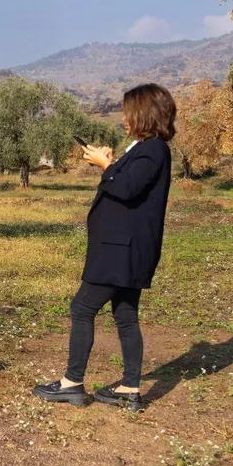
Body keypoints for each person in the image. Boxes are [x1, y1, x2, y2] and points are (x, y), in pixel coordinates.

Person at [33, 83, 175, 411]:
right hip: (124, 248)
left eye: (129, 112)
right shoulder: (145, 149)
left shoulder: (152, 149)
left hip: (119, 250)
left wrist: (105, 166)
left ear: (145, 113)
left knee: (82, 307)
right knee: (125, 314)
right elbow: (130, 186)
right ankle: (129, 388)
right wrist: (112, 163)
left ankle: (72, 383)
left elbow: (125, 188)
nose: (124, 118)